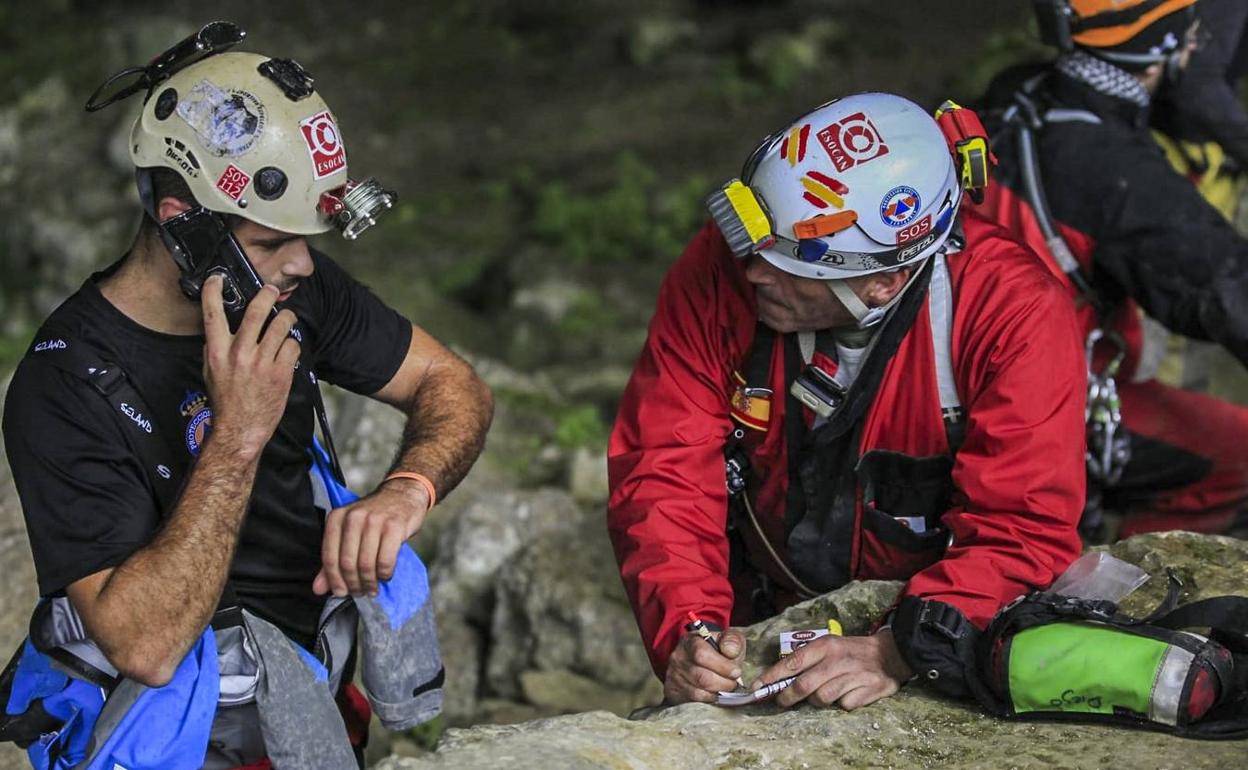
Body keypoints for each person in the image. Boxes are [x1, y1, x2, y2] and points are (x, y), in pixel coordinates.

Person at [0, 24, 492, 769]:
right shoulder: (64, 382)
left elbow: (450, 383)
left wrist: (406, 490)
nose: (301, 263)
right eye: (270, 244)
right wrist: (237, 433)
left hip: (306, 694)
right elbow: (147, 645)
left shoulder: (292, 287)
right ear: (183, 228)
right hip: (168, 734)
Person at [607, 92, 1085, 710]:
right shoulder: (722, 271)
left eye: (784, 265)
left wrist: (899, 649)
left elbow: (1023, 525)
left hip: (922, 612)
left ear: (883, 280)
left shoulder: (1011, 315)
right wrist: (688, 628)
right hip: (762, 601)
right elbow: (663, 461)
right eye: (757, 249)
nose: (754, 272)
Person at [977, 0, 1248, 539]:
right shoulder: (1115, 172)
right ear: (1171, 48)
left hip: (958, 369)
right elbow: (1229, 292)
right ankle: (1143, 582)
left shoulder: (1016, 94)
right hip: (1037, 404)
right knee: (1238, 455)